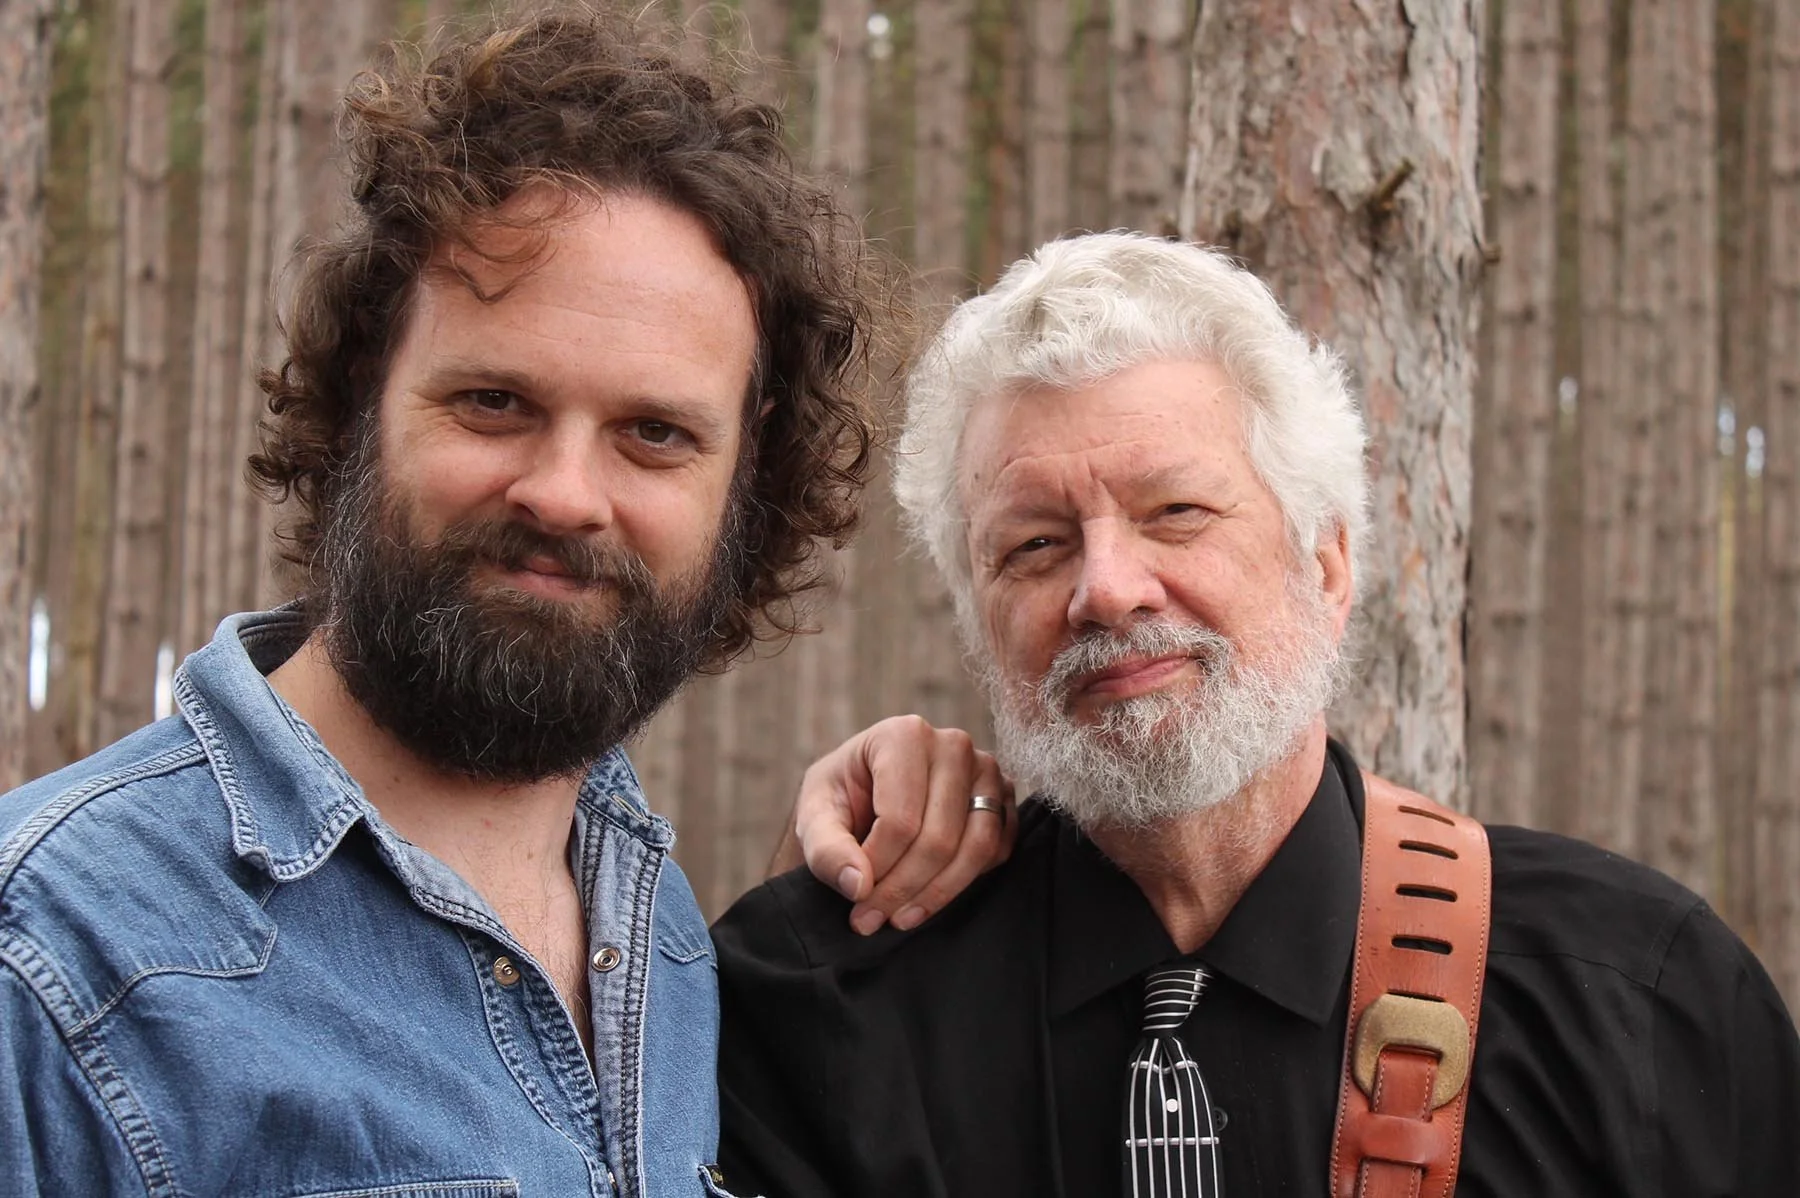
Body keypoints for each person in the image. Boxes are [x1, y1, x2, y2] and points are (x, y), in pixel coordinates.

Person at [0, 8, 988, 1193]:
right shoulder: (51, 956)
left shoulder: (666, 942)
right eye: (494, 403)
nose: (565, 493)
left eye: (655, 432)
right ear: (363, 396)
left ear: (744, 482)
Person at [712, 232, 1800, 1196]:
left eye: (1176, 511)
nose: (1107, 589)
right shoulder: (827, 1009)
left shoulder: (1638, 1003)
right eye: (1034, 544)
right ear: (978, 622)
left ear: (1326, 565)